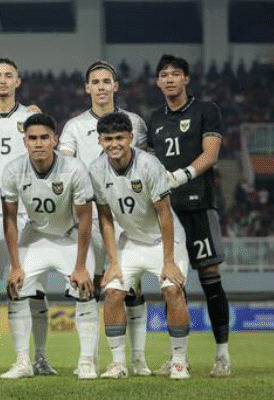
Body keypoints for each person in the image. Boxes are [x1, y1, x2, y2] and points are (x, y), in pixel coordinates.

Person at [0, 57, 56, 375]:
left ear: (18, 81)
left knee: (31, 290)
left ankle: (37, 358)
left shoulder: (32, 119)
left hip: (27, 218)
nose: (3, 80)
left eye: (8, 75)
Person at [58, 61, 150, 378]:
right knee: (87, 285)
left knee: (132, 288)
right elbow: (66, 167)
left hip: (126, 216)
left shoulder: (135, 123)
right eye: (95, 82)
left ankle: (137, 359)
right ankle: (87, 359)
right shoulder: (73, 127)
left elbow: (143, 164)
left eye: (106, 81)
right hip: (89, 219)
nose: (100, 86)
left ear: (115, 86)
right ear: (87, 88)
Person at [89, 111, 190, 380]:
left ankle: (179, 362)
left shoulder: (149, 165)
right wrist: (112, 262)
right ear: (100, 140)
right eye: (108, 139)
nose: (114, 144)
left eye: (119, 138)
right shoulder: (96, 169)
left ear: (131, 138)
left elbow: (165, 213)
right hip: (132, 241)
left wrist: (168, 261)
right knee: (113, 293)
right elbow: (105, 218)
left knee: (172, 290)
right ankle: (118, 364)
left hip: (165, 240)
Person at [146, 55, 230, 377]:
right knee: (172, 283)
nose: (169, 79)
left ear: (186, 79)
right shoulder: (155, 118)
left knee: (210, 279)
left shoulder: (206, 110)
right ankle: (177, 356)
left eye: (175, 74)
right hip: (166, 211)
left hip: (198, 205)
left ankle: (222, 354)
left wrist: (182, 175)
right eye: (164, 75)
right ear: (158, 82)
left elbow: (211, 154)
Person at [0, 113, 94, 379]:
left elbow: (86, 220)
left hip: (70, 236)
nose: (39, 143)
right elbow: (10, 219)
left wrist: (80, 266)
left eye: (44, 137)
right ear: (24, 142)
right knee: (16, 287)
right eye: (33, 138)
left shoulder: (74, 169)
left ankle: (87, 362)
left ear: (55, 140)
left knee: (85, 289)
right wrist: (15, 265)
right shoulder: (13, 170)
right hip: (36, 235)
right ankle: (23, 362)